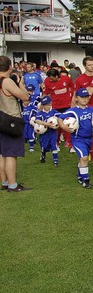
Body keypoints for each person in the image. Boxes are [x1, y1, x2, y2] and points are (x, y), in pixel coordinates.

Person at [58, 88, 93, 189]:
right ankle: (86, 180)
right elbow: (60, 118)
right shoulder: (73, 111)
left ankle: (80, 175)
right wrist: (64, 127)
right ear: (77, 98)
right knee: (84, 158)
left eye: (86, 97)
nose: (85, 99)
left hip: (89, 138)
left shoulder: (91, 109)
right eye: (82, 97)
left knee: (84, 158)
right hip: (78, 139)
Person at [0, 55, 30, 192]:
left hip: (1, 119)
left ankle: (5, 182)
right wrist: (20, 84)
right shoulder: (6, 82)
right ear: (10, 67)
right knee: (11, 154)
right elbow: (25, 97)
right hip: (10, 120)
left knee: (2, 154)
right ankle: (12, 185)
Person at [43, 67, 74, 151]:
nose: (50, 79)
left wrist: (74, 101)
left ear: (57, 76)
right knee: (56, 127)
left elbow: (73, 88)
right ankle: (56, 143)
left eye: (52, 78)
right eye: (49, 78)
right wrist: (42, 104)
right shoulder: (47, 82)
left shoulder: (66, 79)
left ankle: (70, 144)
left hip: (67, 106)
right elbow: (45, 93)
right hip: (56, 107)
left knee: (68, 125)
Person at [34, 96, 60, 166]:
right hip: (44, 133)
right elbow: (37, 120)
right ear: (42, 105)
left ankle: (55, 161)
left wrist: (57, 123)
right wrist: (46, 124)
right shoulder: (40, 113)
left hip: (52, 132)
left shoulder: (54, 112)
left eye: (49, 105)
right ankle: (43, 153)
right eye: (45, 105)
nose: (47, 106)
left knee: (54, 145)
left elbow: (60, 117)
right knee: (45, 146)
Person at [22, 85, 37, 152]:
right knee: (23, 135)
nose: (26, 102)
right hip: (23, 124)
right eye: (25, 101)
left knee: (31, 135)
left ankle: (31, 147)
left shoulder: (32, 107)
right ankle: (22, 147)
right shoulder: (20, 107)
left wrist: (33, 118)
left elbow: (36, 112)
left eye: (28, 100)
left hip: (30, 124)